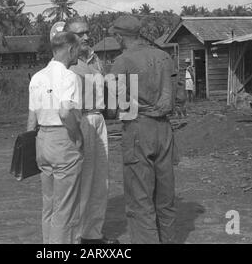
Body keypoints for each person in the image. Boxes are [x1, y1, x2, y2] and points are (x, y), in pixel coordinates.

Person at [107, 15, 177, 244]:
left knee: (140, 199)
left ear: (119, 36)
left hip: (138, 129)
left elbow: (112, 106)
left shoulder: (123, 61)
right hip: (165, 129)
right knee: (165, 197)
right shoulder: (164, 56)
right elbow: (181, 96)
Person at [64, 17, 119, 244]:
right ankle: (75, 236)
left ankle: (92, 233)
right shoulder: (66, 62)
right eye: (80, 34)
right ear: (69, 37)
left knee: (100, 180)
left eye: (87, 32)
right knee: (82, 180)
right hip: (80, 119)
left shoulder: (96, 59)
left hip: (98, 118)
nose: (86, 37)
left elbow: (105, 88)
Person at [27, 31, 83, 244]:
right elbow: (65, 112)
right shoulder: (69, 77)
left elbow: (31, 118)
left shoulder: (38, 77)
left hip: (42, 139)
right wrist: (76, 136)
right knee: (65, 208)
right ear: (70, 49)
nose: (79, 52)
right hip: (63, 140)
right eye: (77, 49)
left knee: (49, 205)